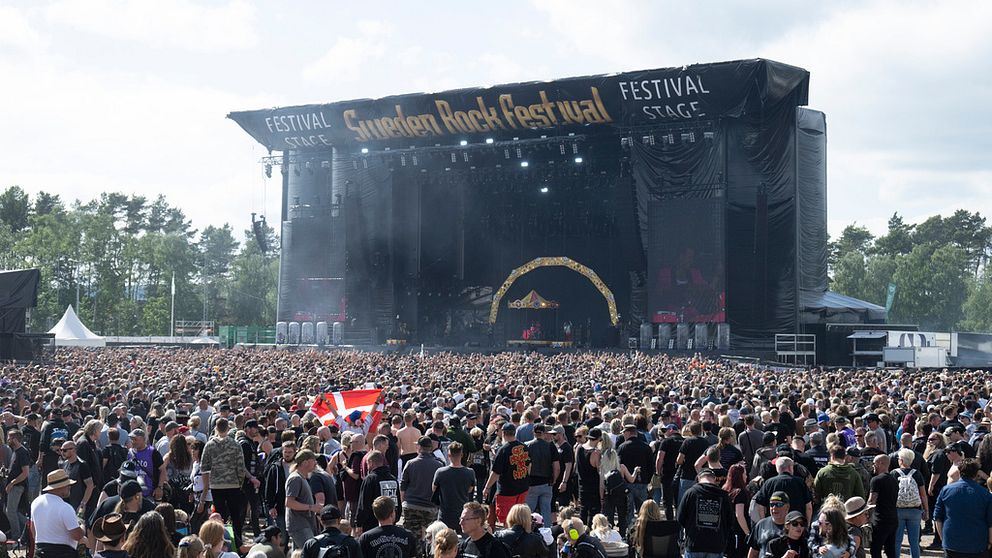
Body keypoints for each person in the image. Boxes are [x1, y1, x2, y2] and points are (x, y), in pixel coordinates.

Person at [201, 417, 258, 551]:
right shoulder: (235, 444)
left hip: (216, 486)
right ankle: (237, 545)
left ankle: (219, 543)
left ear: (216, 428)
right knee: (236, 517)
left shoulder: (210, 445)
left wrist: (208, 485)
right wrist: (239, 483)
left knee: (219, 516)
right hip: (233, 485)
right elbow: (240, 466)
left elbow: (204, 467)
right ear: (228, 428)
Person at [933, 458, 992, 558]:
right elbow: (990, 522)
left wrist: (943, 539)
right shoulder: (985, 494)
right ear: (976, 473)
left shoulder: (946, 490)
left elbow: (937, 517)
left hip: (951, 542)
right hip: (977, 544)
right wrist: (990, 542)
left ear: (959, 472)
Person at [678, 467, 734, 558]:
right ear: (715, 479)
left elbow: (680, 518)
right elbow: (730, 522)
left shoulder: (690, 493)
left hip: (694, 544)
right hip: (716, 546)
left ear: (699, 478)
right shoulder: (724, 496)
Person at [483, 422, 531, 528]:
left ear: (503, 433)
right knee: (519, 517)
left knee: (508, 520)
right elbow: (529, 467)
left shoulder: (503, 450)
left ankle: (510, 540)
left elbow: (495, 472)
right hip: (522, 488)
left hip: (507, 491)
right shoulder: (525, 447)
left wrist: (487, 487)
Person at [31, 469, 85, 558]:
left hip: (40, 552)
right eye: (67, 485)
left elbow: (33, 531)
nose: (69, 487)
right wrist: (82, 525)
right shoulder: (65, 508)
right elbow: (77, 536)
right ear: (60, 487)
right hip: (63, 553)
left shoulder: (36, 502)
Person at [399, 436, 442, 539]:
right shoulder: (439, 465)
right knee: (430, 538)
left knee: (412, 537)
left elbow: (403, 486)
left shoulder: (410, 463)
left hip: (411, 505)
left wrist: (402, 504)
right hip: (430, 506)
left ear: (419, 447)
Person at [432, 441, 476, 531]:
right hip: (462, 513)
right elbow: (470, 490)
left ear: (449, 455)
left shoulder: (440, 472)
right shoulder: (470, 472)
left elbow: (434, 488)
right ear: (462, 454)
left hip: (445, 514)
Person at [891, 448, 927, 558]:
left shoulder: (894, 473)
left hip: (898, 510)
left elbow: (891, 494)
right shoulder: (917, 474)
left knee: (897, 541)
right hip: (915, 510)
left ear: (901, 460)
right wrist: (926, 510)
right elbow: (923, 495)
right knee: (914, 541)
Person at [355, 450, 399, 535]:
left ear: (371, 462)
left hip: (372, 525)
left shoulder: (370, 479)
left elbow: (364, 503)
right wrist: (395, 518)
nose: (367, 467)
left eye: (367, 464)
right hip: (391, 522)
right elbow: (397, 501)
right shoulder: (393, 479)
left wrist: (359, 523)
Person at [524, 423, 559, 528]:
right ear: (544, 433)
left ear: (533, 433)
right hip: (546, 483)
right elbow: (556, 467)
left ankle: (527, 531)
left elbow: (525, 465)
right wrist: (554, 479)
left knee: (528, 512)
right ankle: (547, 534)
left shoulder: (527, 445)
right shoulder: (550, 446)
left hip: (531, 483)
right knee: (546, 511)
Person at [285, 449, 321, 548]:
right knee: (310, 553)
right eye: (313, 460)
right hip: (299, 525)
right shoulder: (295, 478)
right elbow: (289, 503)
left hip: (304, 525)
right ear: (305, 462)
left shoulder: (302, 477)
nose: (316, 463)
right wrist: (311, 507)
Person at [866, 455, 897, 558]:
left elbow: (871, 501)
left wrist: (866, 517)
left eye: (874, 463)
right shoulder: (894, 479)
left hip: (880, 520)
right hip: (893, 518)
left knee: (875, 549)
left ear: (880, 463)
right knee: (890, 549)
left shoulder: (876, 480)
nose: (873, 466)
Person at [5, 428, 31, 542]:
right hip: (14, 485)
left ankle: (17, 537)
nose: (7, 440)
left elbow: (25, 473)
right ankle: (29, 526)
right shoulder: (15, 451)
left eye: (9, 438)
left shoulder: (22, 452)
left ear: (15, 439)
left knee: (10, 511)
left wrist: (12, 483)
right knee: (11, 511)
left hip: (17, 486)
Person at [747, 492, 790, 558]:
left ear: (787, 507)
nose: (774, 508)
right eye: (772, 504)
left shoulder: (794, 525)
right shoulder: (761, 524)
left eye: (779, 504)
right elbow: (753, 552)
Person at [575, 427, 602, 525]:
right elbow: (599, 470)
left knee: (583, 512)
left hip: (582, 485)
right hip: (593, 487)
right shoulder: (595, 453)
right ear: (599, 439)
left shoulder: (579, 448)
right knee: (593, 515)